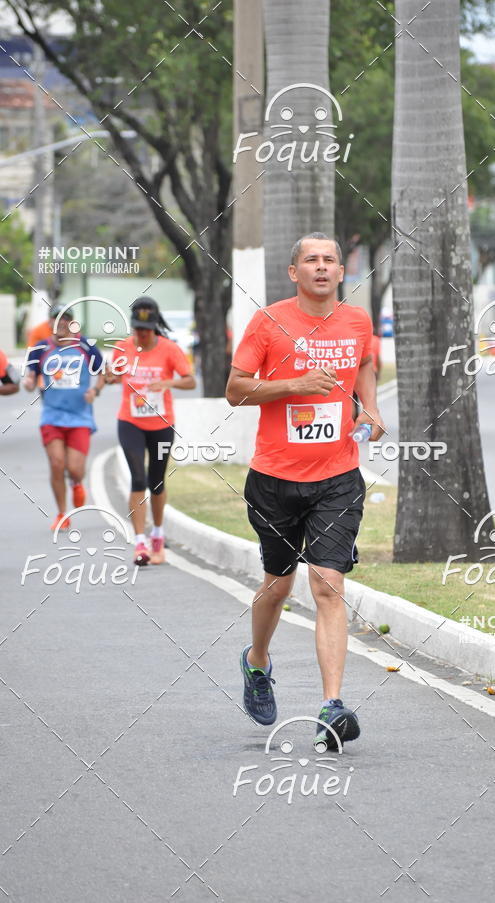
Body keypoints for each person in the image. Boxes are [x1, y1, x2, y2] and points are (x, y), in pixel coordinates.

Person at [226, 232, 385, 750]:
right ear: (293, 272)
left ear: (342, 271)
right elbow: (235, 388)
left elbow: (363, 362)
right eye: (311, 261)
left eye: (330, 260)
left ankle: (332, 707)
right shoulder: (268, 321)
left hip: (337, 477)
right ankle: (256, 662)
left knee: (327, 583)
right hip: (274, 479)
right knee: (278, 585)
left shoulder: (357, 322)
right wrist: (292, 386)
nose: (321, 267)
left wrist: (370, 407)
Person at [107, 297, 196, 566]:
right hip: (130, 421)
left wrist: (167, 383)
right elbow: (112, 376)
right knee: (137, 479)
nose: (141, 334)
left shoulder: (169, 349)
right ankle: (139, 543)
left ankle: (157, 534)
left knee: (156, 481)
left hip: (161, 423)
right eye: (137, 329)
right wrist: (109, 375)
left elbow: (190, 381)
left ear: (154, 326)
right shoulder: (123, 348)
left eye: (145, 329)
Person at [24, 306, 104, 531]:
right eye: (55, 321)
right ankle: (62, 514)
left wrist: (95, 392)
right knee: (57, 464)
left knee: (75, 469)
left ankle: (77, 483)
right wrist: (29, 383)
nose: (60, 325)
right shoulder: (40, 349)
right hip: (52, 415)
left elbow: (102, 374)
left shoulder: (85, 346)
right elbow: (30, 378)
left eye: (65, 321)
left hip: (80, 417)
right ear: (49, 324)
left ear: (71, 324)